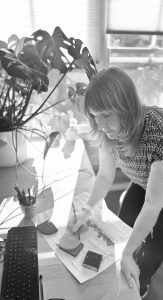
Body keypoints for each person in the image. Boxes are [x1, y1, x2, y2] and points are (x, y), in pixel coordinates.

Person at [71, 67, 163, 298]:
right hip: (145, 183)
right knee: (124, 233)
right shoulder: (107, 132)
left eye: (106, 115)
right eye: (94, 116)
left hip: (158, 193)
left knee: (149, 253)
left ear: (126, 107)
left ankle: (141, 285)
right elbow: (104, 176)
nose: (100, 125)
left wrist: (131, 254)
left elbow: (153, 204)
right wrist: (87, 209)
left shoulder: (159, 135)